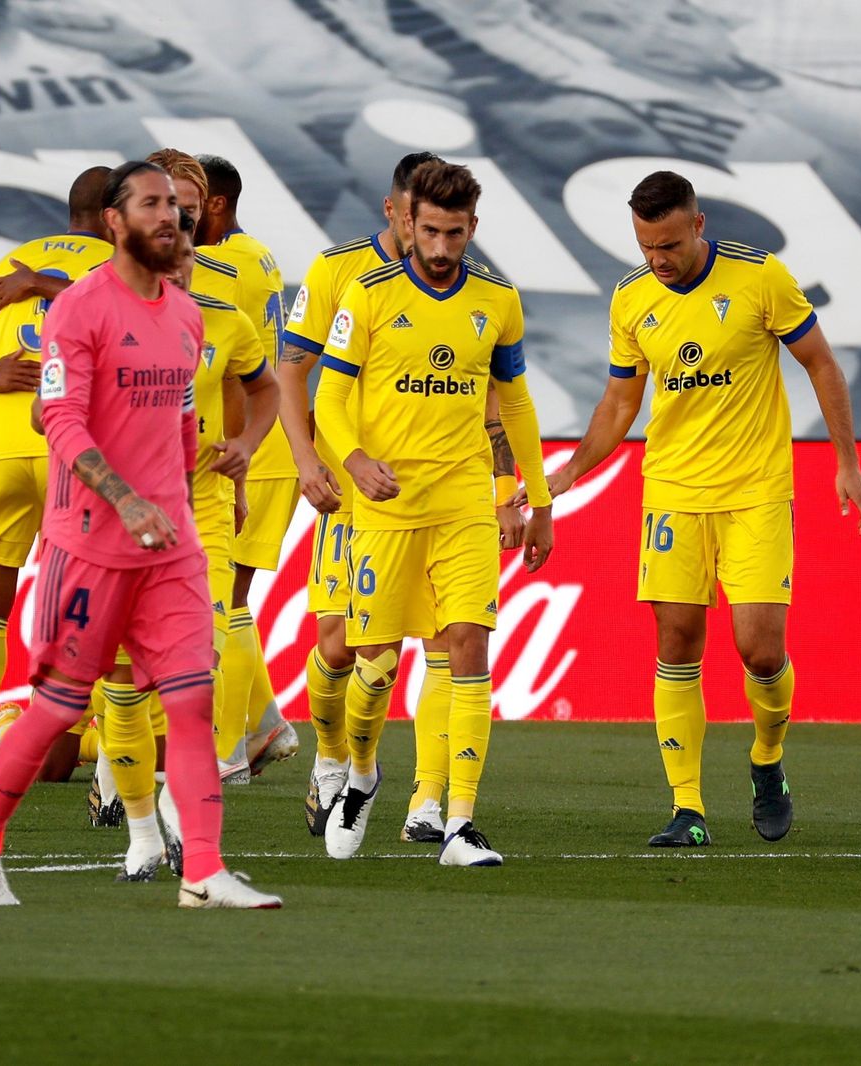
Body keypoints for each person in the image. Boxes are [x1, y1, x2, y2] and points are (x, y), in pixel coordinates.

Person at [0, 161, 281, 909]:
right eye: (153, 205)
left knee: (193, 701)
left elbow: (180, 423)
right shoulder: (79, 311)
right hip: (93, 543)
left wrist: (219, 486)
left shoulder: (189, 314)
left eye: (178, 207)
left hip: (171, 544)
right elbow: (57, 419)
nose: (172, 218)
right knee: (61, 707)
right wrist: (125, 499)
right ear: (114, 222)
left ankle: (202, 868)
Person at [546, 169, 861, 847]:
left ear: (697, 225)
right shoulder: (633, 298)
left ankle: (767, 760)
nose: (658, 260)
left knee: (758, 650)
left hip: (754, 489)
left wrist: (846, 462)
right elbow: (619, 404)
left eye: (669, 245)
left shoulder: (760, 277)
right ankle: (687, 809)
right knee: (675, 642)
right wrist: (572, 468)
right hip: (673, 492)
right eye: (645, 247)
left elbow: (820, 363)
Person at [311, 160, 554, 867]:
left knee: (469, 645)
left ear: (472, 228)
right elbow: (328, 395)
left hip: (463, 500)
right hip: (385, 507)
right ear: (407, 224)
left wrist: (534, 499)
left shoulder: (498, 299)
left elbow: (515, 403)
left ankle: (460, 824)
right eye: (431, 231)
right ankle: (360, 776)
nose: (443, 247)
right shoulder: (370, 293)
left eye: (455, 232)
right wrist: (354, 460)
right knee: (375, 665)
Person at [94, 209, 280, 881]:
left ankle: (180, 816)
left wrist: (245, 452)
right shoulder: (99, 312)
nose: (177, 264)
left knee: (197, 660)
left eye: (185, 250)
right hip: (118, 506)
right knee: (119, 679)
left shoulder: (223, 321)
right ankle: (142, 833)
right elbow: (49, 409)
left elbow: (264, 389)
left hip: (199, 501)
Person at [0, 166, 113, 782]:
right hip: (76, 449)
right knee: (83, 604)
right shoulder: (118, 267)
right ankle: (80, 740)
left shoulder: (9, 263)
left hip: (1, 448)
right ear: (115, 213)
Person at [193, 153, 299, 784]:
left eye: (184, 204)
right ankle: (264, 726)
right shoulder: (256, 253)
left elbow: (229, 366)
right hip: (262, 444)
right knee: (230, 602)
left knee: (223, 603)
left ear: (214, 205)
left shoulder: (222, 268)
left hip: (245, 447)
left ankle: (227, 749)